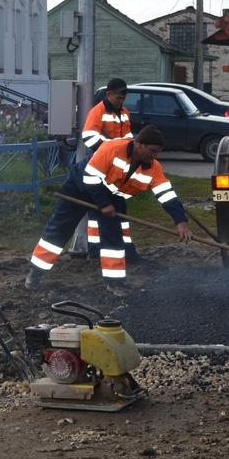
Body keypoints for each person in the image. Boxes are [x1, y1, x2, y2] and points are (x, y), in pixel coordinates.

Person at [26, 125, 191, 298]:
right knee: (59, 230)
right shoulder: (112, 148)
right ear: (139, 144)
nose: (155, 156)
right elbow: (90, 178)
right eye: (152, 151)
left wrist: (180, 221)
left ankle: (115, 284)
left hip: (111, 194)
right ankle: (35, 273)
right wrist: (104, 204)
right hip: (80, 187)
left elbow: (166, 195)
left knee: (113, 238)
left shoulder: (153, 167)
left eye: (157, 152)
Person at [81, 78, 137, 258]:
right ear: (108, 94)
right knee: (98, 209)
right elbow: (89, 137)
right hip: (100, 165)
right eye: (118, 97)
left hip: (118, 168)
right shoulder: (97, 111)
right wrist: (110, 152)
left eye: (123, 98)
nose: (121, 101)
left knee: (120, 208)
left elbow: (128, 138)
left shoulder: (125, 113)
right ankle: (95, 251)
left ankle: (126, 248)